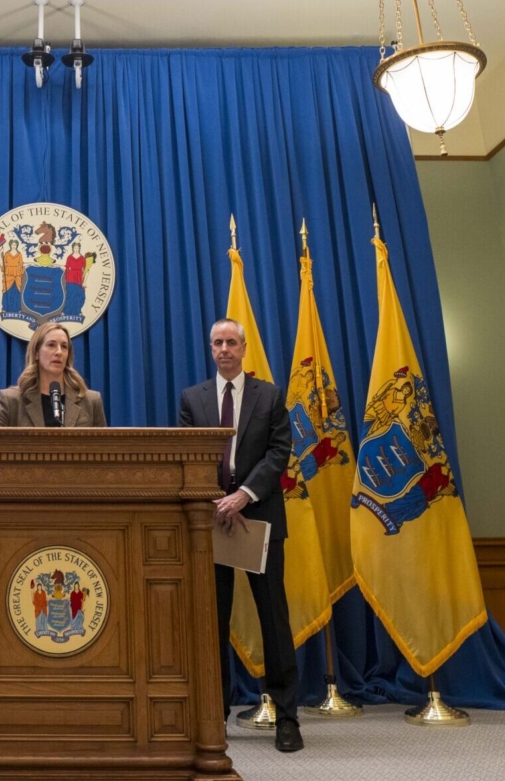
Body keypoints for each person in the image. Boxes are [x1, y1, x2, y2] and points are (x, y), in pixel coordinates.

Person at [178, 318, 303, 753]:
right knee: (212, 623)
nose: (224, 349)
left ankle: (287, 718)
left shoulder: (268, 394)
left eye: (232, 342)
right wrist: (217, 499)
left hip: (259, 521)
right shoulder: (192, 398)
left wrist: (244, 495)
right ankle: (216, 716)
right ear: (210, 349)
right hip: (211, 523)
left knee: (274, 620)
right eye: (217, 343)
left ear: (244, 348)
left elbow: (279, 452)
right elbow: (189, 456)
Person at [0, 321, 108, 427]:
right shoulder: (11, 400)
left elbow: (104, 450)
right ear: (36, 352)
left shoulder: (91, 401)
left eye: (64, 347)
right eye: (51, 345)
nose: (59, 352)